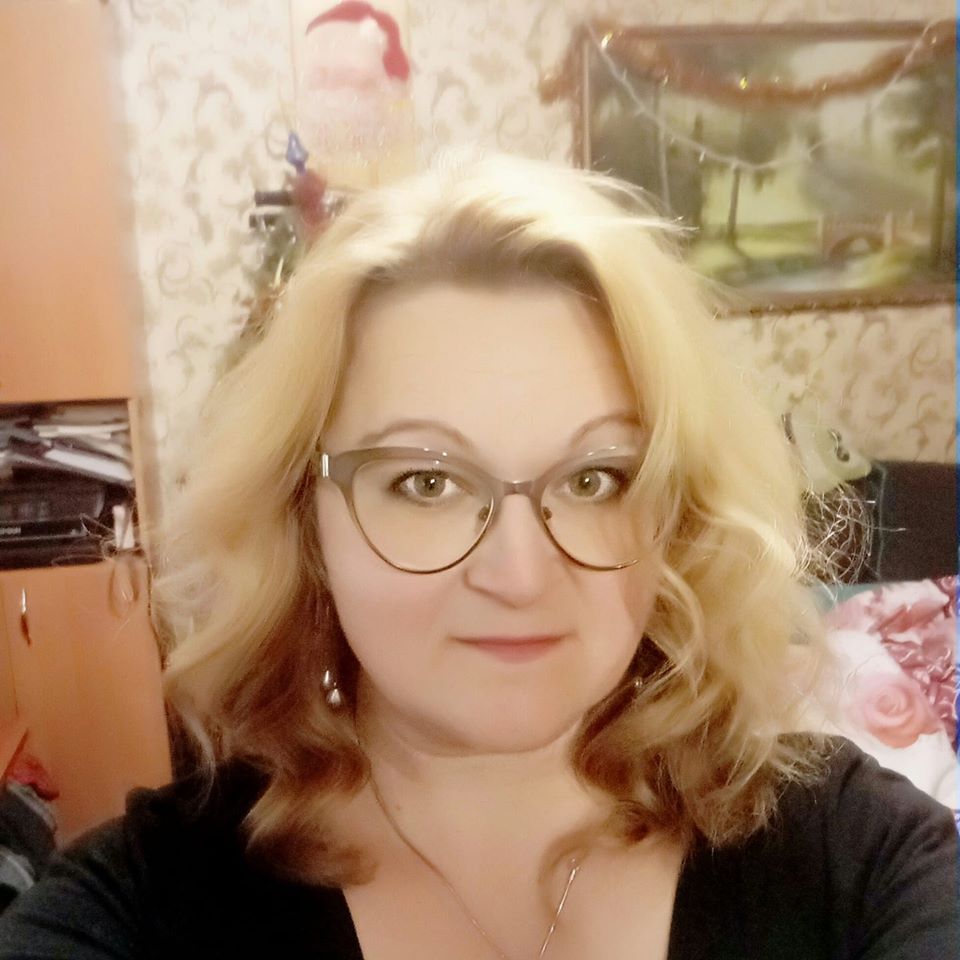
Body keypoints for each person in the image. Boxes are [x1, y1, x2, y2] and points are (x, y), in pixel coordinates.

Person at [0, 154, 955, 959]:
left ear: (676, 512)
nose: (520, 576)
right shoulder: (149, 906)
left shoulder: (856, 861)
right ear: (306, 519)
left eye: (596, 479)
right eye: (426, 482)